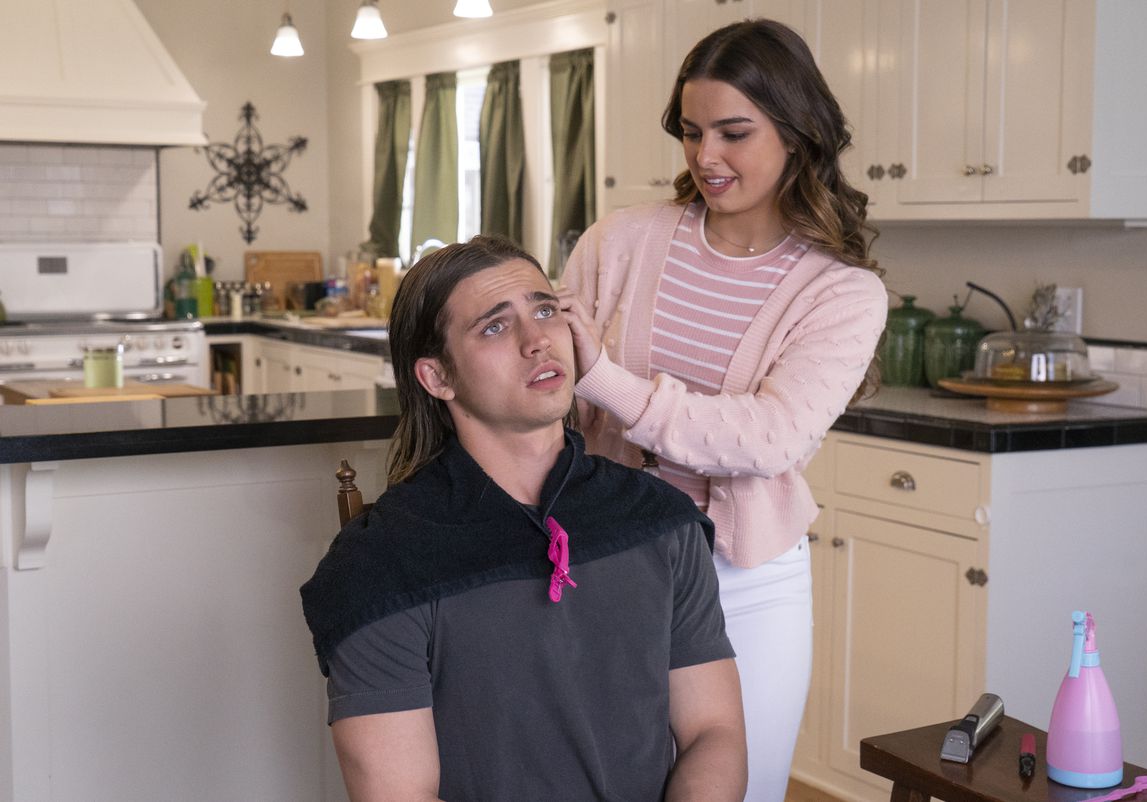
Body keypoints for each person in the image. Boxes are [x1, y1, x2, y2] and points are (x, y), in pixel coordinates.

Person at [558, 18, 887, 802]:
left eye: (734, 133)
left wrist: (605, 377)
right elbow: (551, 393)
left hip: (745, 580)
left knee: (741, 787)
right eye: (692, 131)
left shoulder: (840, 291)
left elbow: (768, 437)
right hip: (603, 559)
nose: (706, 156)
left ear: (799, 132)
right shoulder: (622, 241)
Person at [300, 236, 747, 802]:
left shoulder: (660, 520)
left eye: (544, 311)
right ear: (437, 378)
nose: (537, 340)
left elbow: (715, 732)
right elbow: (399, 794)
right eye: (494, 327)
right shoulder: (381, 565)